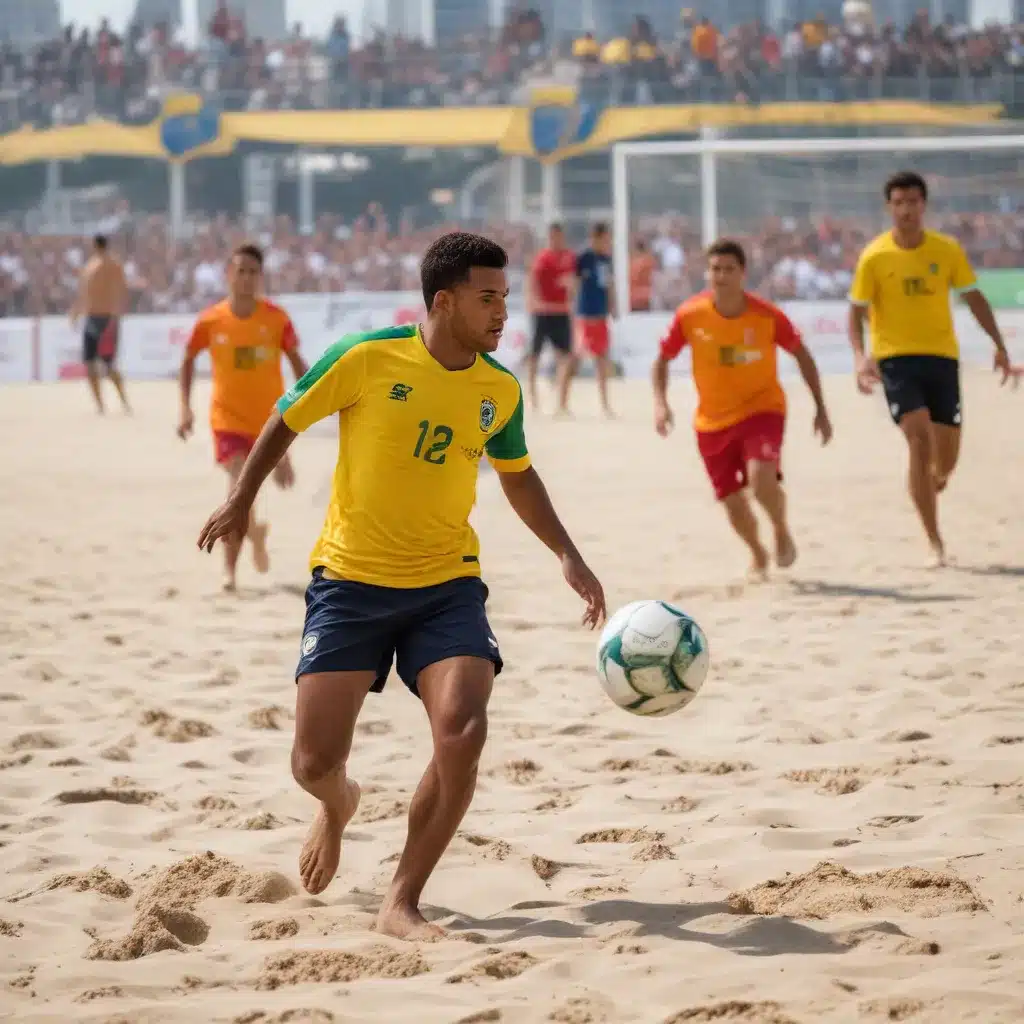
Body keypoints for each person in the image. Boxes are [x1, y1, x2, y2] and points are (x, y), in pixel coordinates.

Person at [195, 231, 606, 940]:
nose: (503, 313)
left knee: (464, 731)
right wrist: (240, 502)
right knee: (313, 762)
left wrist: (566, 553)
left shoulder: (498, 388)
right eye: (488, 299)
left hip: (447, 585)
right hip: (350, 582)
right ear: (443, 302)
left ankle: (402, 901)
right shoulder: (366, 357)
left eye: (505, 298)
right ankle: (338, 804)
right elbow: (285, 419)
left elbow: (517, 475)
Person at [848, 170, 1013, 566]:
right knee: (918, 440)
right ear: (889, 208)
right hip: (896, 360)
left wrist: (999, 345)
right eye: (899, 203)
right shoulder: (875, 255)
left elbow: (973, 298)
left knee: (946, 460)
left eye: (913, 202)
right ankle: (934, 542)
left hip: (941, 359)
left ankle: (932, 482)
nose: (906, 210)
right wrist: (859, 356)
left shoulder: (946, 249)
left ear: (924, 206)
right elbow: (855, 312)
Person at [652, 239, 833, 578]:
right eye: (715, 269)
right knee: (732, 502)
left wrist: (820, 408)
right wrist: (661, 405)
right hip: (711, 422)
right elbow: (662, 359)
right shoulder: (690, 315)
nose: (721, 276)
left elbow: (802, 355)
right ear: (707, 273)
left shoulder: (766, 315)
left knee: (761, 480)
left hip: (762, 411)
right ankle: (757, 553)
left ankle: (780, 528)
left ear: (743, 274)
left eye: (729, 269)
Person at [179, 243, 308, 592]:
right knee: (237, 491)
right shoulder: (210, 320)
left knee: (244, 496)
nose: (247, 278)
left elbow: (299, 364)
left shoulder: (276, 319)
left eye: (253, 272)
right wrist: (185, 408)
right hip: (227, 422)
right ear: (228, 274)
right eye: (241, 271)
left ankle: (255, 533)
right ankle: (230, 571)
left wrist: (312, 401)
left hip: (270, 422)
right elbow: (188, 359)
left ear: (260, 277)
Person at [70, 235, 130, 414]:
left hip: (106, 318)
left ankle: (123, 400)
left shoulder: (112, 265)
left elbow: (121, 290)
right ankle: (100, 405)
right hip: (92, 317)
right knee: (89, 363)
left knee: (108, 365)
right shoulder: (90, 266)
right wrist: (77, 310)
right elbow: (84, 292)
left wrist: (115, 315)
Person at [525, 223, 577, 413]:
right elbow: (532, 282)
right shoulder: (542, 257)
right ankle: (532, 398)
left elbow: (574, 281)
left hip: (561, 312)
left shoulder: (569, 257)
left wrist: (571, 293)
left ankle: (562, 403)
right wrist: (533, 303)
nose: (556, 240)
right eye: (553, 236)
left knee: (566, 356)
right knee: (534, 355)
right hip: (542, 312)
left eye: (559, 236)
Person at [573, 222, 617, 417]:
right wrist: (572, 309)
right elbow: (574, 284)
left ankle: (605, 404)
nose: (608, 242)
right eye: (605, 238)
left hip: (600, 315)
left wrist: (612, 306)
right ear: (596, 238)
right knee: (575, 357)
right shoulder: (583, 257)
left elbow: (608, 284)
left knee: (602, 359)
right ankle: (562, 400)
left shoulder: (606, 259)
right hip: (585, 314)